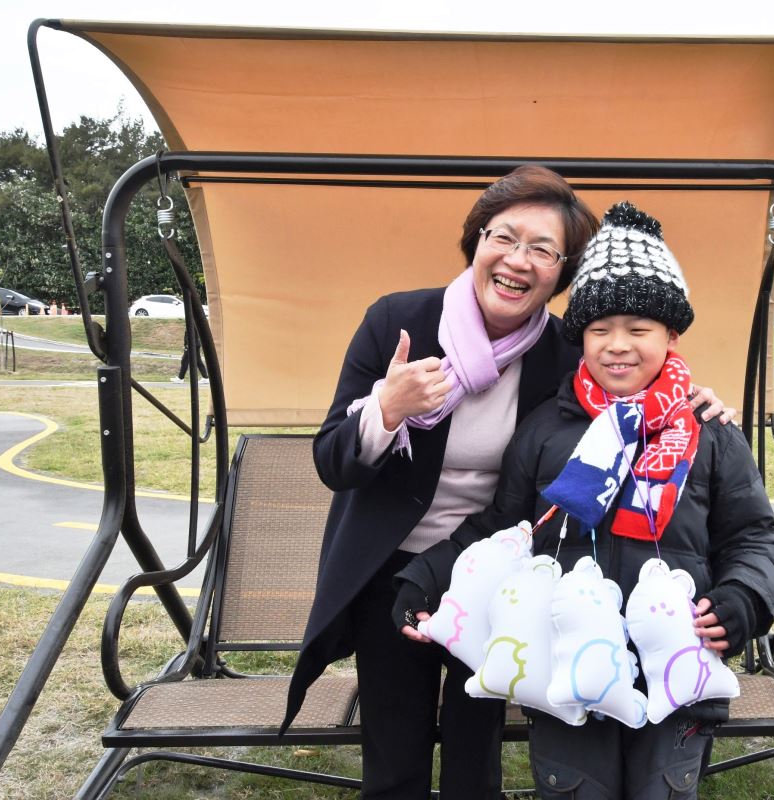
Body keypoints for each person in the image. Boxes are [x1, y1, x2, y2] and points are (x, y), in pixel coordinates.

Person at [280, 168, 732, 799]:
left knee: (475, 750)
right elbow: (333, 461)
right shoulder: (398, 322)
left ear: (561, 273)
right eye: (505, 237)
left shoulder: (561, 352)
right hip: (392, 570)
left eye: (543, 250)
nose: (518, 261)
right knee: (395, 751)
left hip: (497, 571)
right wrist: (386, 408)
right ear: (477, 240)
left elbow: (628, 387)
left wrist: (690, 400)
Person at [394, 202, 774, 800]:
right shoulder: (545, 430)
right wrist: (425, 577)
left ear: (672, 335)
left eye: (639, 329)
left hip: (675, 661)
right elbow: (504, 528)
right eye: (600, 330)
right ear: (580, 338)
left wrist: (743, 599)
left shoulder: (709, 433)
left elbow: (753, 537)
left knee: (663, 789)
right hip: (566, 666)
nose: (617, 346)